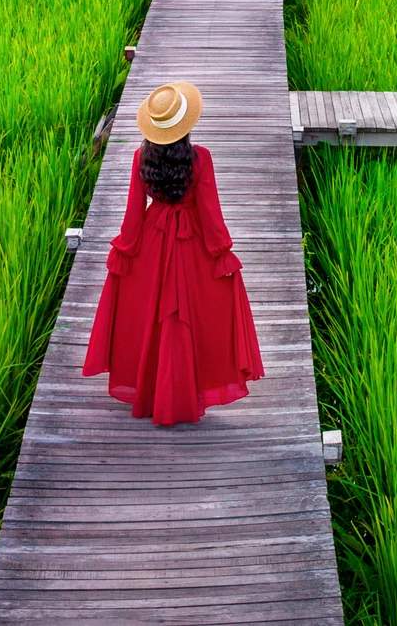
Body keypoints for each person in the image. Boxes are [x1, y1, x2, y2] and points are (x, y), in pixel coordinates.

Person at [82, 80, 264, 425]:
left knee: (152, 314)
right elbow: (210, 213)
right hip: (191, 242)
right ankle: (181, 392)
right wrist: (221, 252)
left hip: (153, 240)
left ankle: (152, 392)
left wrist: (125, 249)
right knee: (186, 318)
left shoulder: (141, 157)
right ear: (186, 124)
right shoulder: (201, 159)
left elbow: (134, 213)